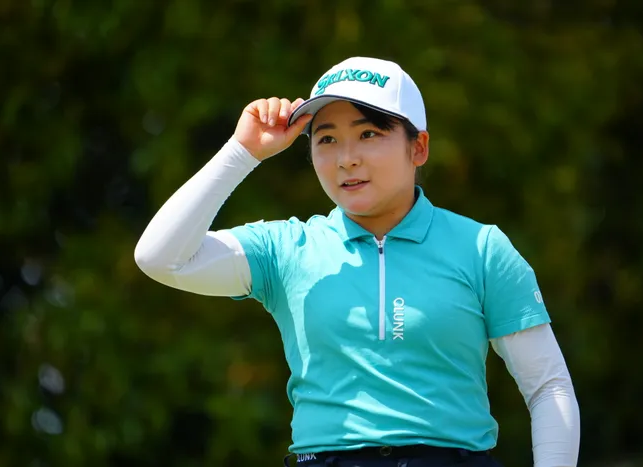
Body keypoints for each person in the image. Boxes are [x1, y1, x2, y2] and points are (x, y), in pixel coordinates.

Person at [134, 56, 580, 467]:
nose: (346, 159)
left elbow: (547, 387)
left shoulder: (481, 248)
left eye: (369, 134)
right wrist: (242, 151)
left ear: (418, 147)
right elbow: (161, 258)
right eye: (327, 139)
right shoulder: (286, 248)